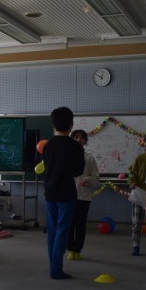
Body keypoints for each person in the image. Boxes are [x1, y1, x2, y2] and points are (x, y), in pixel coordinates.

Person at [43, 107, 85, 280]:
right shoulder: (75, 146)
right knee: (62, 231)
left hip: (49, 192)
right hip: (66, 193)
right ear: (71, 124)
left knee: (53, 231)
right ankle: (55, 269)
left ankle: (53, 266)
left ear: (53, 124)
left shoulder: (48, 145)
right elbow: (78, 171)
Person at [66, 129, 99, 261]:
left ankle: (78, 250)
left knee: (80, 226)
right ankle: (70, 249)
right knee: (69, 225)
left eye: (82, 138)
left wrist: (87, 179)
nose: (79, 140)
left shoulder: (89, 158)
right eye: (76, 137)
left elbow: (96, 178)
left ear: (85, 141)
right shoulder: (66, 156)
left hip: (84, 197)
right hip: (68, 196)